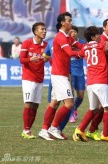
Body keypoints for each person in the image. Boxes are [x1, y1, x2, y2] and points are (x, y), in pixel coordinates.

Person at [38, 12, 83, 140]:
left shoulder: (67, 37)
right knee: (69, 103)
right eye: (69, 20)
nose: (71, 22)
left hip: (60, 74)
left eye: (71, 20)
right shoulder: (60, 37)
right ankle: (54, 128)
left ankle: (44, 130)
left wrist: (91, 48)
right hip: (59, 75)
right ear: (63, 23)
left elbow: (79, 46)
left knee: (54, 103)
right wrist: (82, 54)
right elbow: (69, 52)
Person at [73, 26, 108, 142]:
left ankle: (80, 130)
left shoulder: (85, 48)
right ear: (93, 37)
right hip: (101, 81)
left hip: (90, 82)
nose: (99, 36)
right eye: (97, 34)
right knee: (107, 108)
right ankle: (105, 134)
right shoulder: (102, 44)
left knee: (93, 109)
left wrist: (75, 44)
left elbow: (79, 54)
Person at [85, 18, 108, 140]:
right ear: (104, 28)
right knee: (107, 105)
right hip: (102, 77)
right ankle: (101, 131)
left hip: (105, 76)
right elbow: (105, 51)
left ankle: (90, 130)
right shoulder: (102, 41)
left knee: (101, 106)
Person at [20, 22, 48, 139]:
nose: (44, 31)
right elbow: (22, 59)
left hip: (40, 78)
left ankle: (29, 130)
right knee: (28, 103)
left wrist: (46, 59)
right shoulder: (27, 43)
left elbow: (48, 58)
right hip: (28, 78)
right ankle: (26, 130)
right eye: (42, 29)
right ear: (35, 32)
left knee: (36, 105)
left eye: (45, 29)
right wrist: (30, 59)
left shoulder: (46, 45)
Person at [69, 25, 86, 123]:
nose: (73, 33)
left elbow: (85, 52)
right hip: (70, 72)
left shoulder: (82, 43)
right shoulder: (66, 43)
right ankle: (71, 114)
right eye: (71, 32)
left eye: (74, 32)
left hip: (79, 72)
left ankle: (74, 108)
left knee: (80, 96)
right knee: (71, 95)